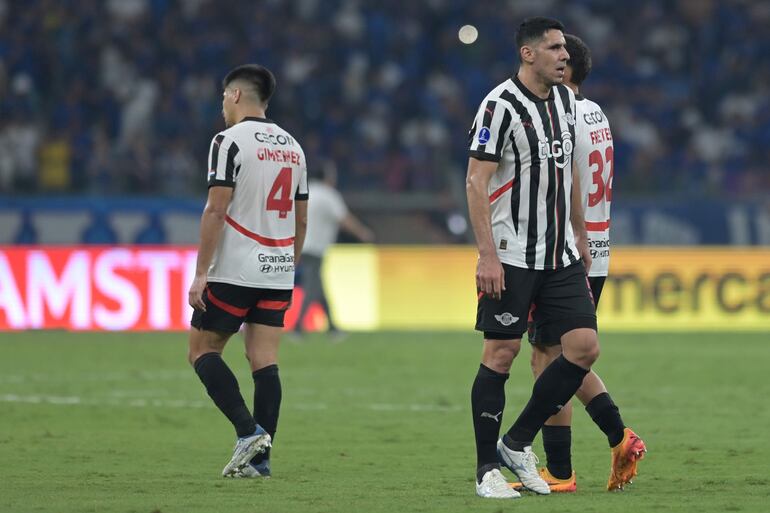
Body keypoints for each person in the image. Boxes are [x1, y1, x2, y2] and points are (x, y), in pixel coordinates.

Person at [466, 16, 601, 499]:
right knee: (502, 354)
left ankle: (517, 441)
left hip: (560, 254)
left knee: (583, 347)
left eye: (564, 48)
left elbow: (570, 174)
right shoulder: (498, 106)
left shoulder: (567, 101)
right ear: (528, 54)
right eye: (554, 48)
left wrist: (581, 234)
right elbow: (475, 181)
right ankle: (487, 471)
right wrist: (487, 255)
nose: (565, 55)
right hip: (512, 254)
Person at [510, 34, 646, 494]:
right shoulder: (597, 113)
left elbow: (555, 183)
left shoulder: (559, 113)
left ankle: (563, 470)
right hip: (599, 247)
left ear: (563, 69)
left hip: (566, 252)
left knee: (548, 359)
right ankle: (615, 438)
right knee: (569, 356)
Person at [187, 64, 308, 478]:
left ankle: (247, 432)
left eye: (224, 96)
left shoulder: (227, 141)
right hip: (276, 269)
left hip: (235, 268)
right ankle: (261, 462)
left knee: (202, 351)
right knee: (264, 359)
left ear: (235, 95)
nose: (222, 104)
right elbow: (301, 220)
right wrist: (286, 265)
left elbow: (216, 210)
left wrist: (201, 272)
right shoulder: (294, 147)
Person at [293, 160, 374, 337]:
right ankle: (298, 328)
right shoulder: (329, 195)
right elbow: (344, 219)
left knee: (318, 286)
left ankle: (333, 327)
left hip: (300, 245)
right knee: (312, 287)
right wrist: (363, 233)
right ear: (328, 176)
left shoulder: (307, 191)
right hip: (316, 249)